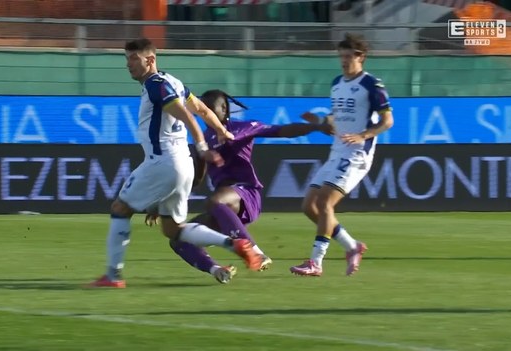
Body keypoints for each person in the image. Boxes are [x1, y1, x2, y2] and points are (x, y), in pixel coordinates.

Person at [89, 38, 264, 288]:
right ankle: (233, 243)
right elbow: (202, 109)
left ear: (150, 60)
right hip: (183, 165)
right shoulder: (175, 82)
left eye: (133, 59)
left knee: (120, 208)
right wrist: (221, 130)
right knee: (172, 229)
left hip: (164, 161)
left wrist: (202, 144)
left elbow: (187, 115)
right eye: (126, 58)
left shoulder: (155, 84)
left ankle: (113, 276)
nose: (128, 64)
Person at [146, 89, 334, 283]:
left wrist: (316, 127)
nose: (205, 111)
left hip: (246, 195)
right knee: (177, 239)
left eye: (211, 107)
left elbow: (282, 130)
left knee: (215, 200)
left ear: (224, 109)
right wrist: (164, 204)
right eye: (203, 107)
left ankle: (255, 252)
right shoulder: (202, 139)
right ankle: (218, 270)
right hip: (223, 209)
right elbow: (194, 180)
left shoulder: (243, 128)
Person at [290, 33, 394, 277]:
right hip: (337, 151)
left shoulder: (372, 85)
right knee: (309, 206)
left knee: (325, 202)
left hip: (357, 153)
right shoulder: (337, 83)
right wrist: (318, 121)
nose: (344, 61)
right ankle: (351, 246)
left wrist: (364, 135)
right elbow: (334, 122)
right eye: (341, 57)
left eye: (349, 57)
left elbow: (388, 121)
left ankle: (316, 262)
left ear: (361, 58)